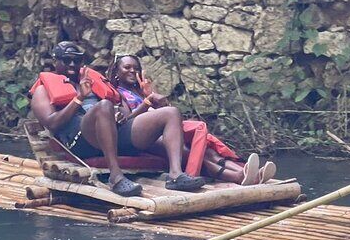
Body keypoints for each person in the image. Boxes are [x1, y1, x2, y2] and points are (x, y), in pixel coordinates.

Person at [30, 42, 206, 197]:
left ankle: (175, 175)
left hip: (113, 135)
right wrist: (79, 98)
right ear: (55, 62)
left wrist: (118, 113)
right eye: (66, 60)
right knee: (104, 106)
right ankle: (116, 177)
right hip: (80, 142)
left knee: (171, 112)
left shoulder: (93, 81)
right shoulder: (42, 90)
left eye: (76, 61)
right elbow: (51, 123)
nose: (72, 65)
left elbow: (122, 110)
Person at [107, 54, 276, 185]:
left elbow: (166, 114)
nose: (132, 71)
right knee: (192, 152)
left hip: (163, 133)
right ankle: (238, 176)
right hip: (143, 139)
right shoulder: (116, 93)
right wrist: (146, 102)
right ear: (116, 72)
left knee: (207, 150)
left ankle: (248, 171)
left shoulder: (141, 91)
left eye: (135, 68)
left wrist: (151, 95)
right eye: (127, 67)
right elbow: (127, 122)